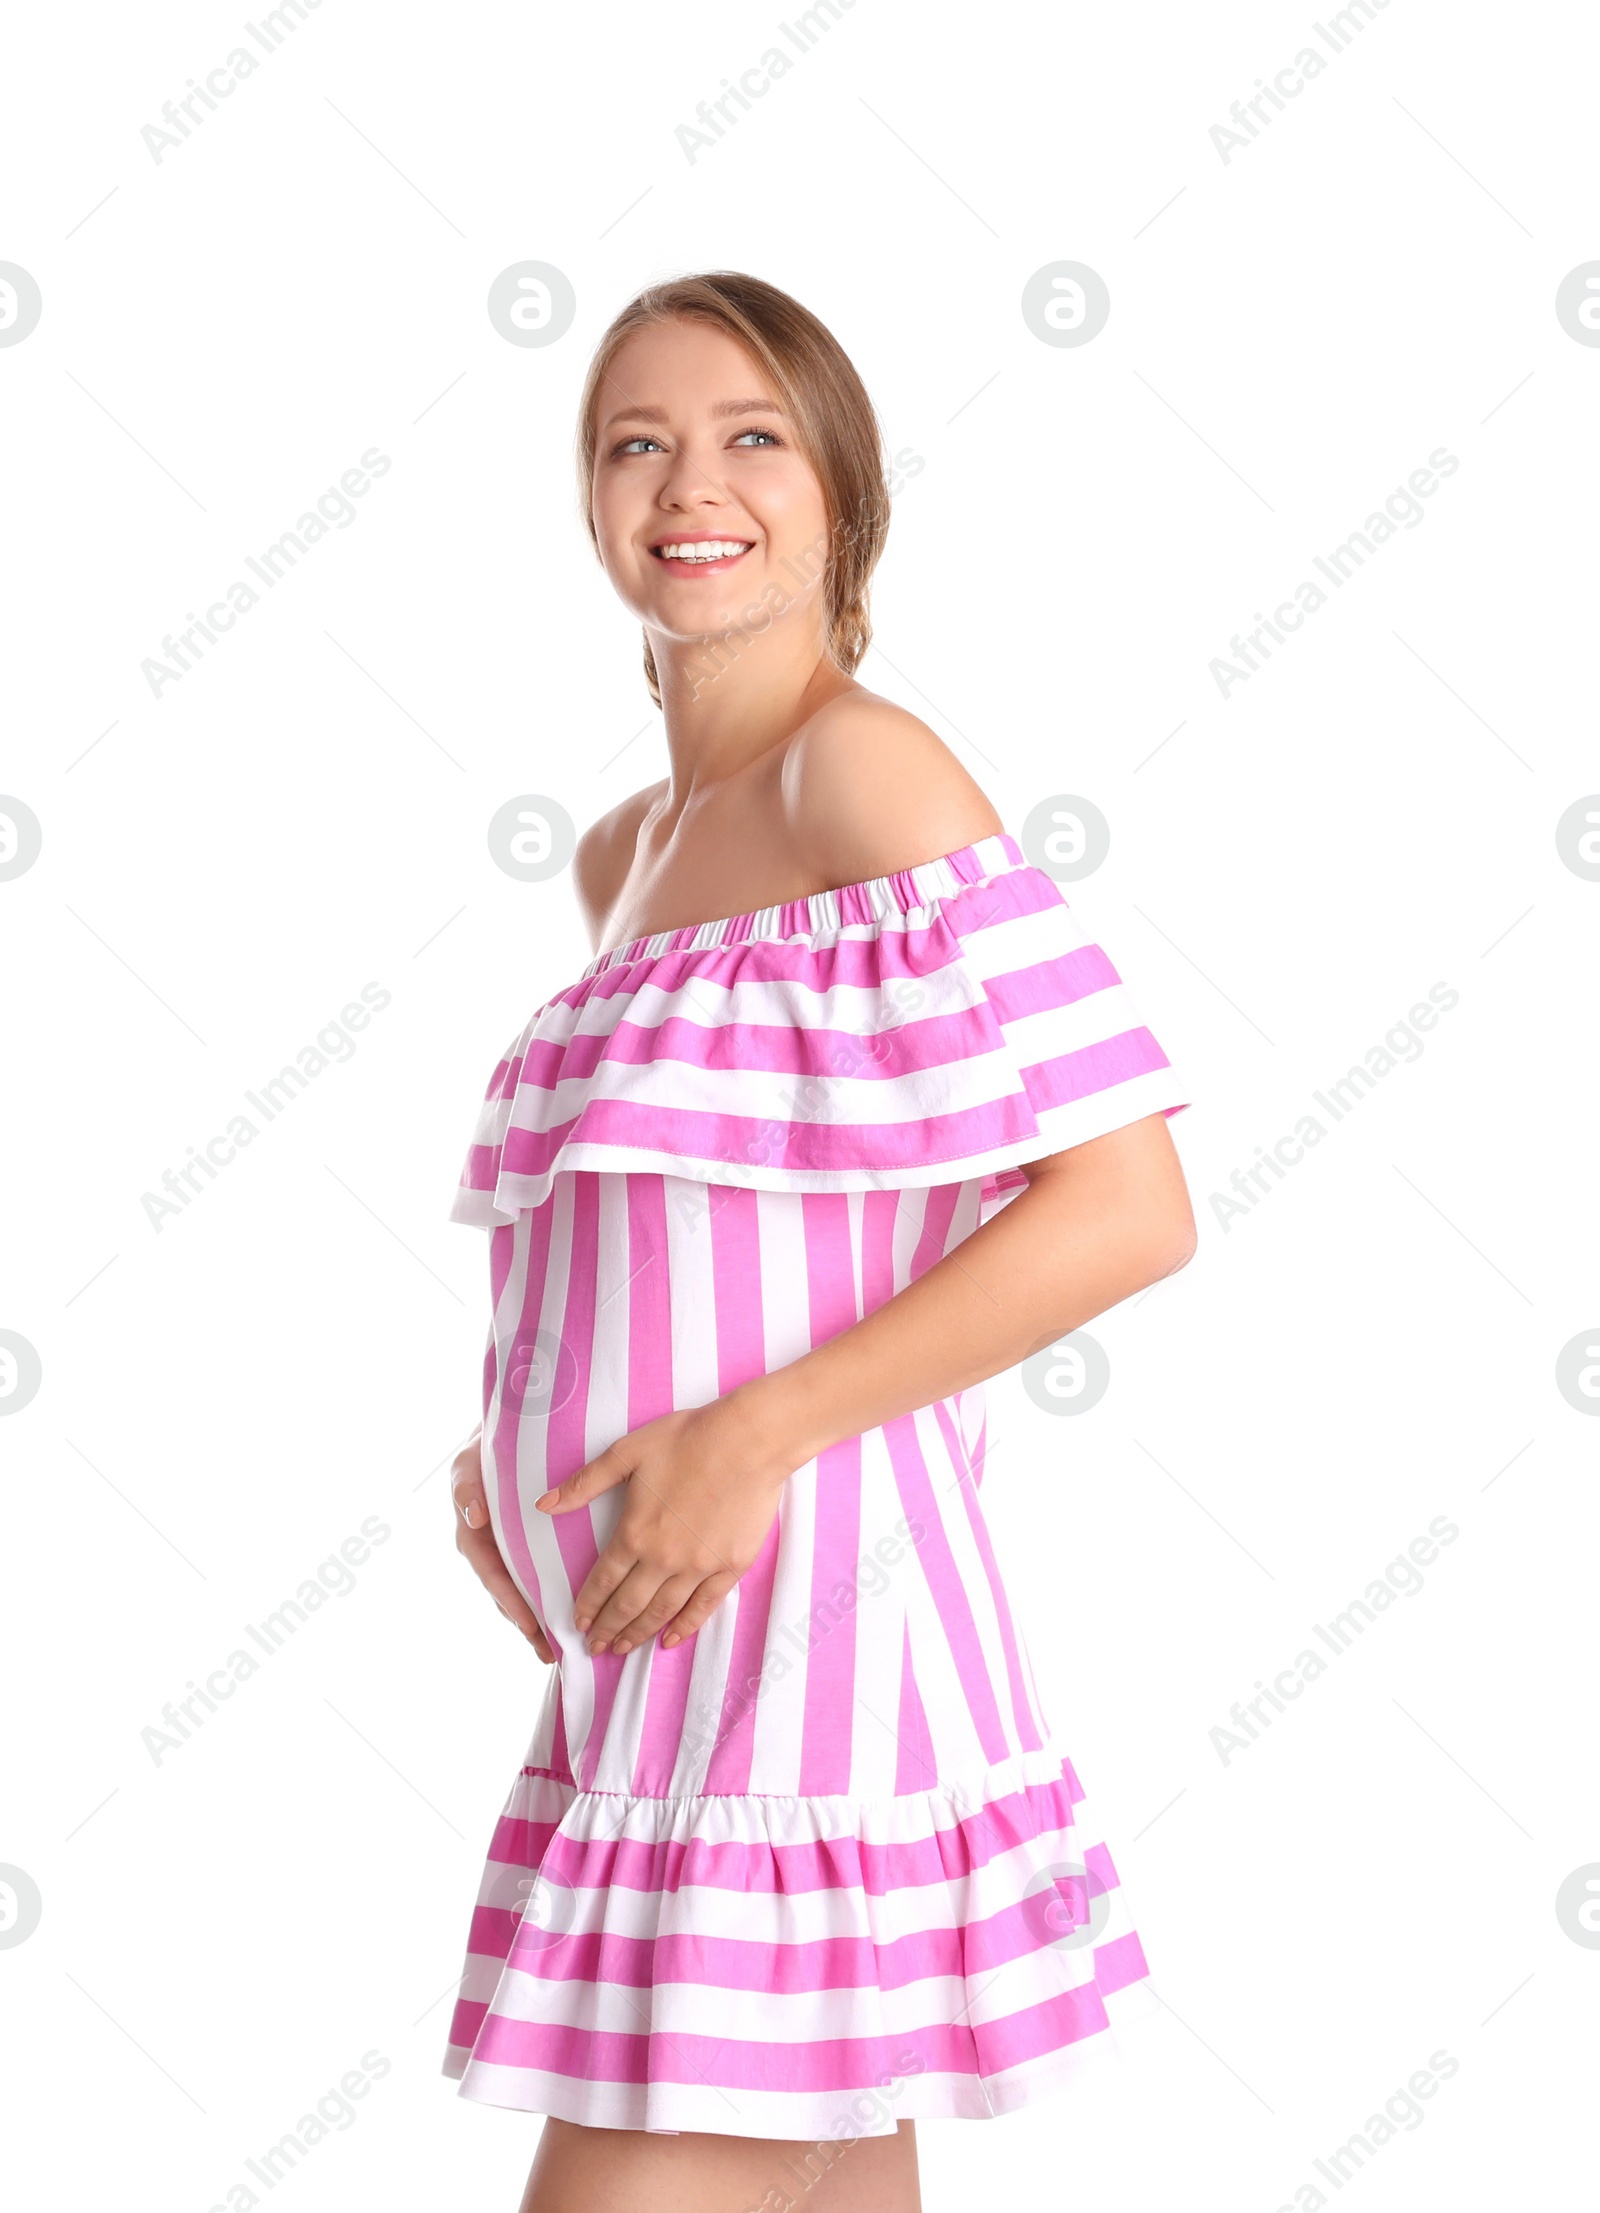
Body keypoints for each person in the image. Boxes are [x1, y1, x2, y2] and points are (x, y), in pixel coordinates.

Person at [441, 270, 1197, 2213]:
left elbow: (1123, 1203)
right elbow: (697, 1211)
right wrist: (506, 1449)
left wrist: (749, 1436)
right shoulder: (627, 852)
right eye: (637, 442)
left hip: (803, 1651)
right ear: (588, 500)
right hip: (666, 1660)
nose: (690, 484)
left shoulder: (860, 770)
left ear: (840, 498)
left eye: (750, 437)